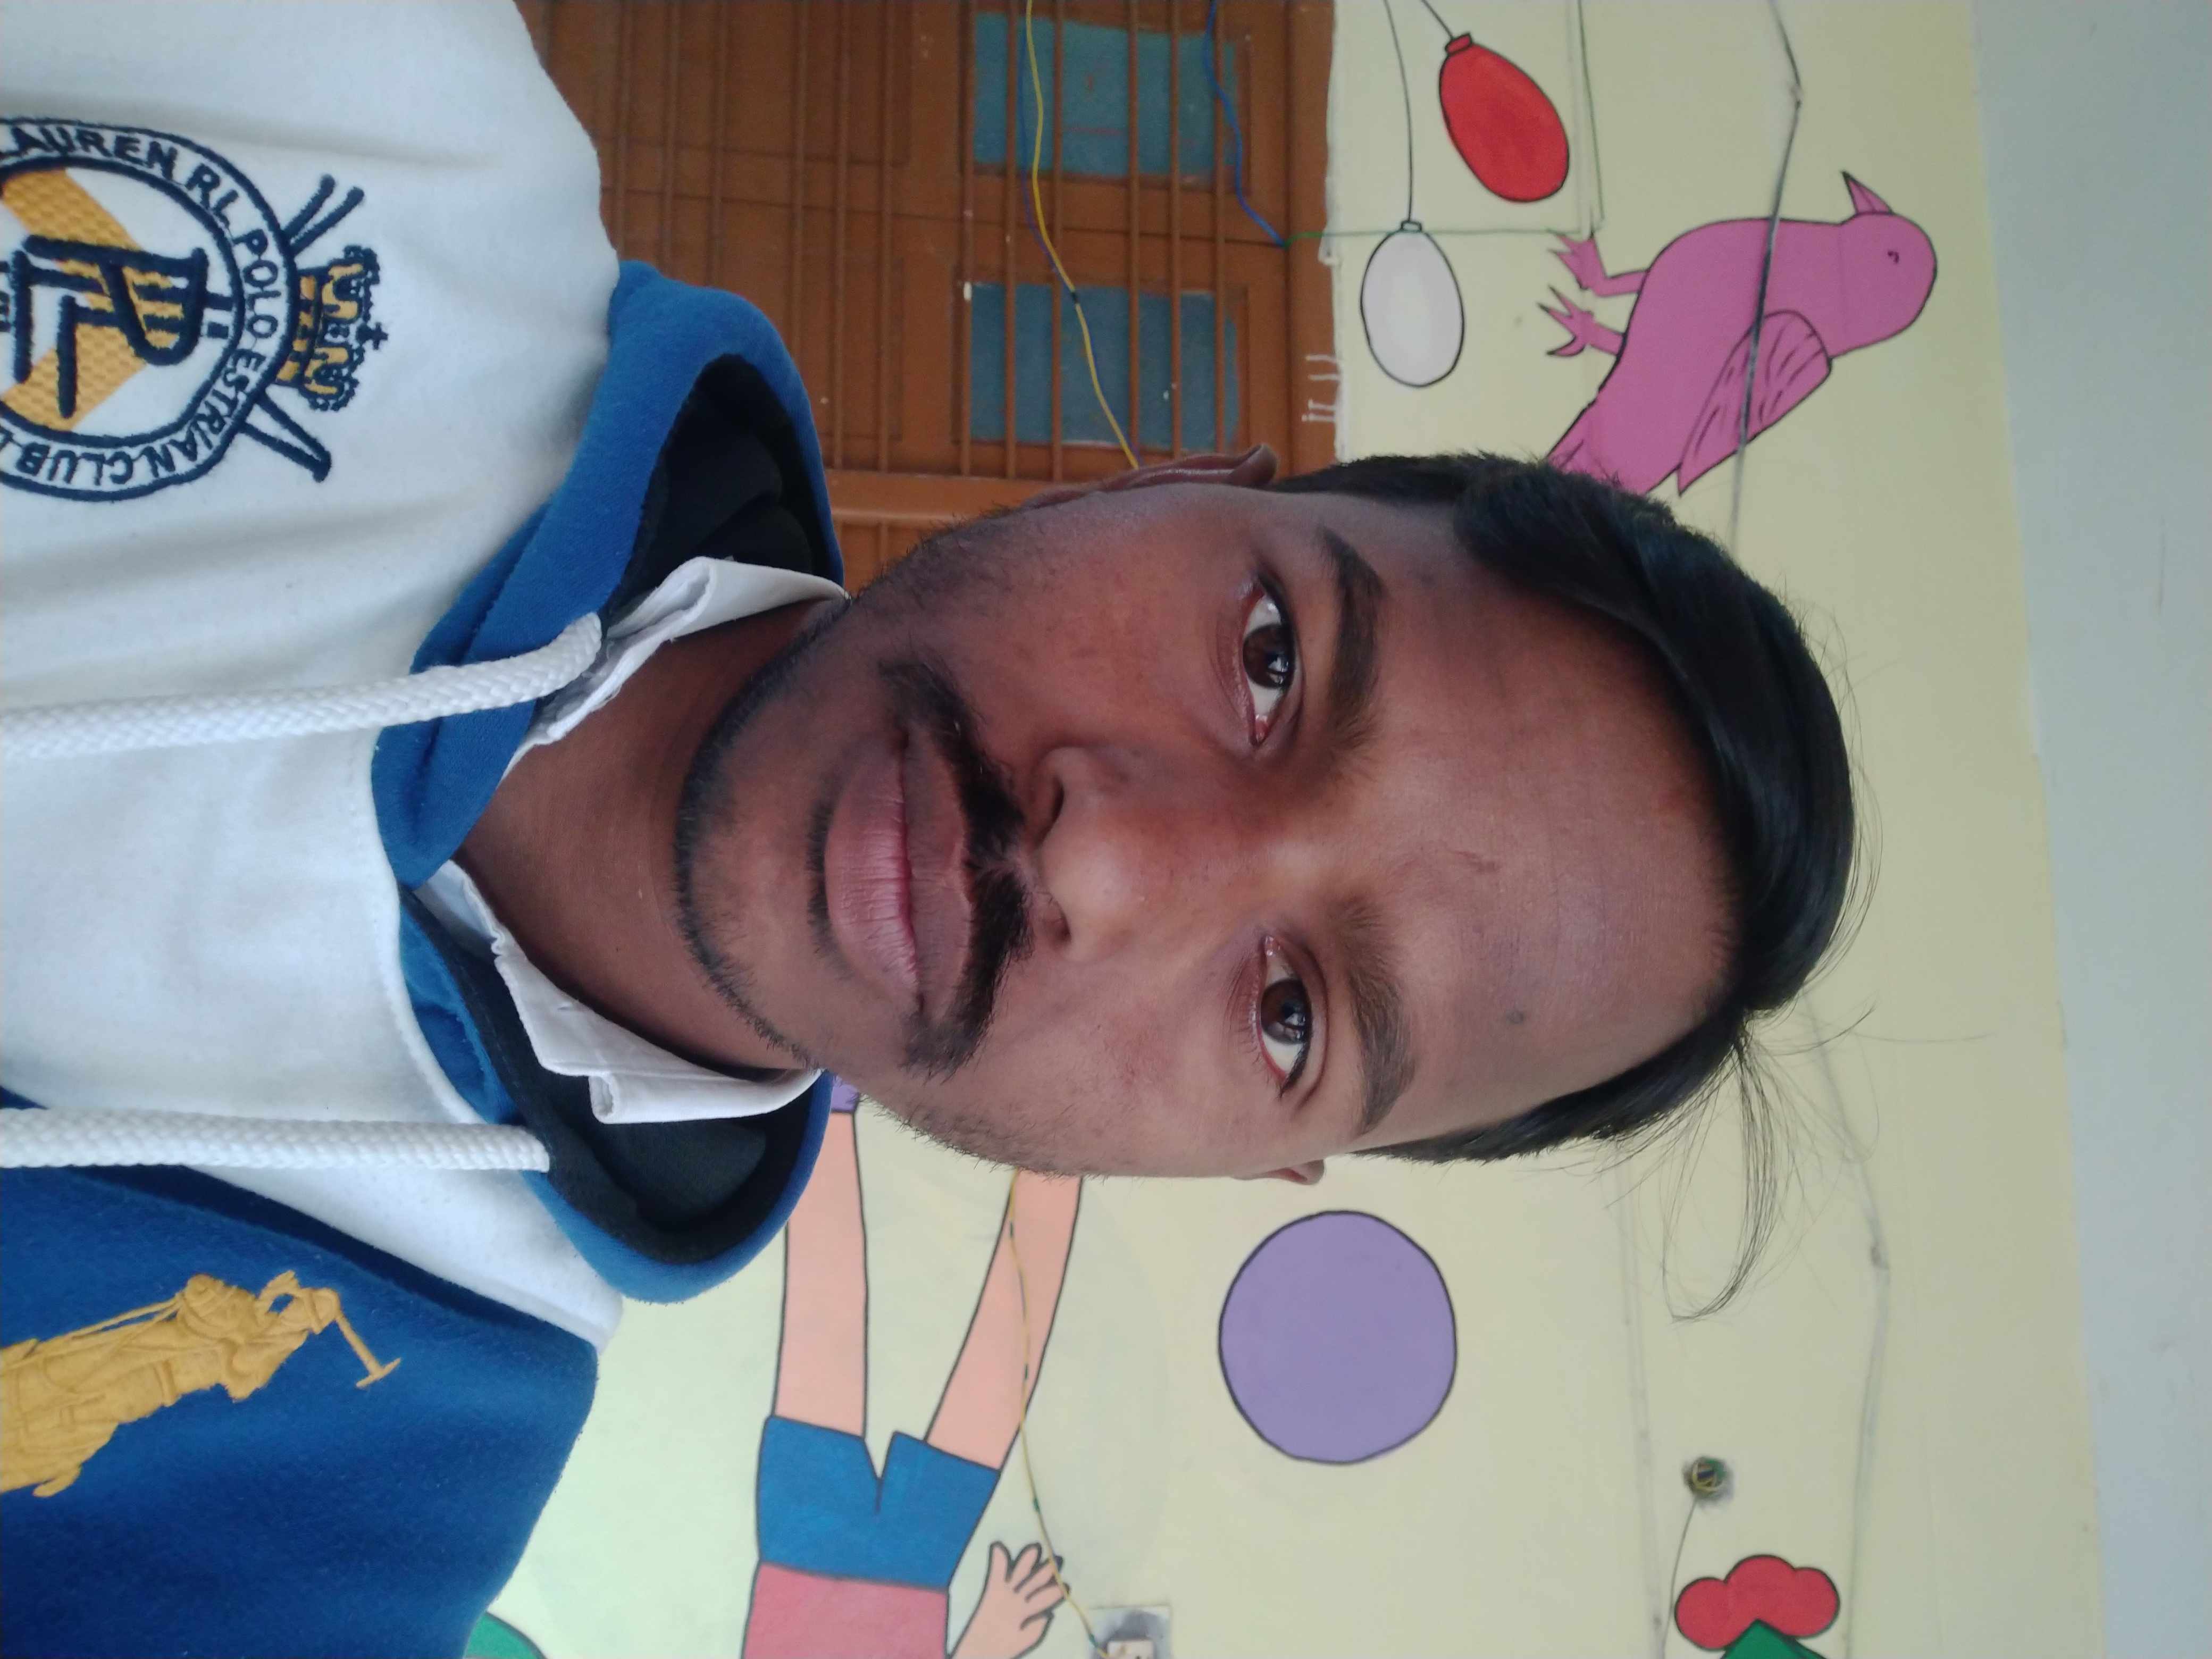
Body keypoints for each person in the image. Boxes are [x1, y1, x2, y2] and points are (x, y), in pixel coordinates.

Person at [0, 4, 1853, 1655]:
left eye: (1292, 1013)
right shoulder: (370, 98)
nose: (1105, 863)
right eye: (1271, 657)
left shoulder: (333, 1506)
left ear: (1254, 1164)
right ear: (1166, 478)